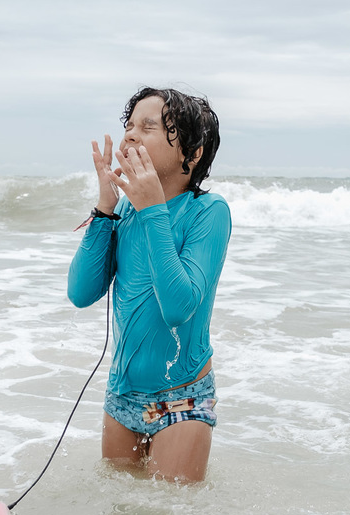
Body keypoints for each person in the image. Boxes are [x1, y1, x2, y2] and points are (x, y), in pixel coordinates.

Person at [67, 87, 230, 483]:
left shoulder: (208, 213)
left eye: (147, 127)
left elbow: (178, 307)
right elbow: (81, 293)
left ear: (192, 154)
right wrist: (105, 208)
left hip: (182, 398)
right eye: (128, 126)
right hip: (122, 395)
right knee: (123, 511)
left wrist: (154, 210)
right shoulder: (123, 211)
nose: (130, 135)